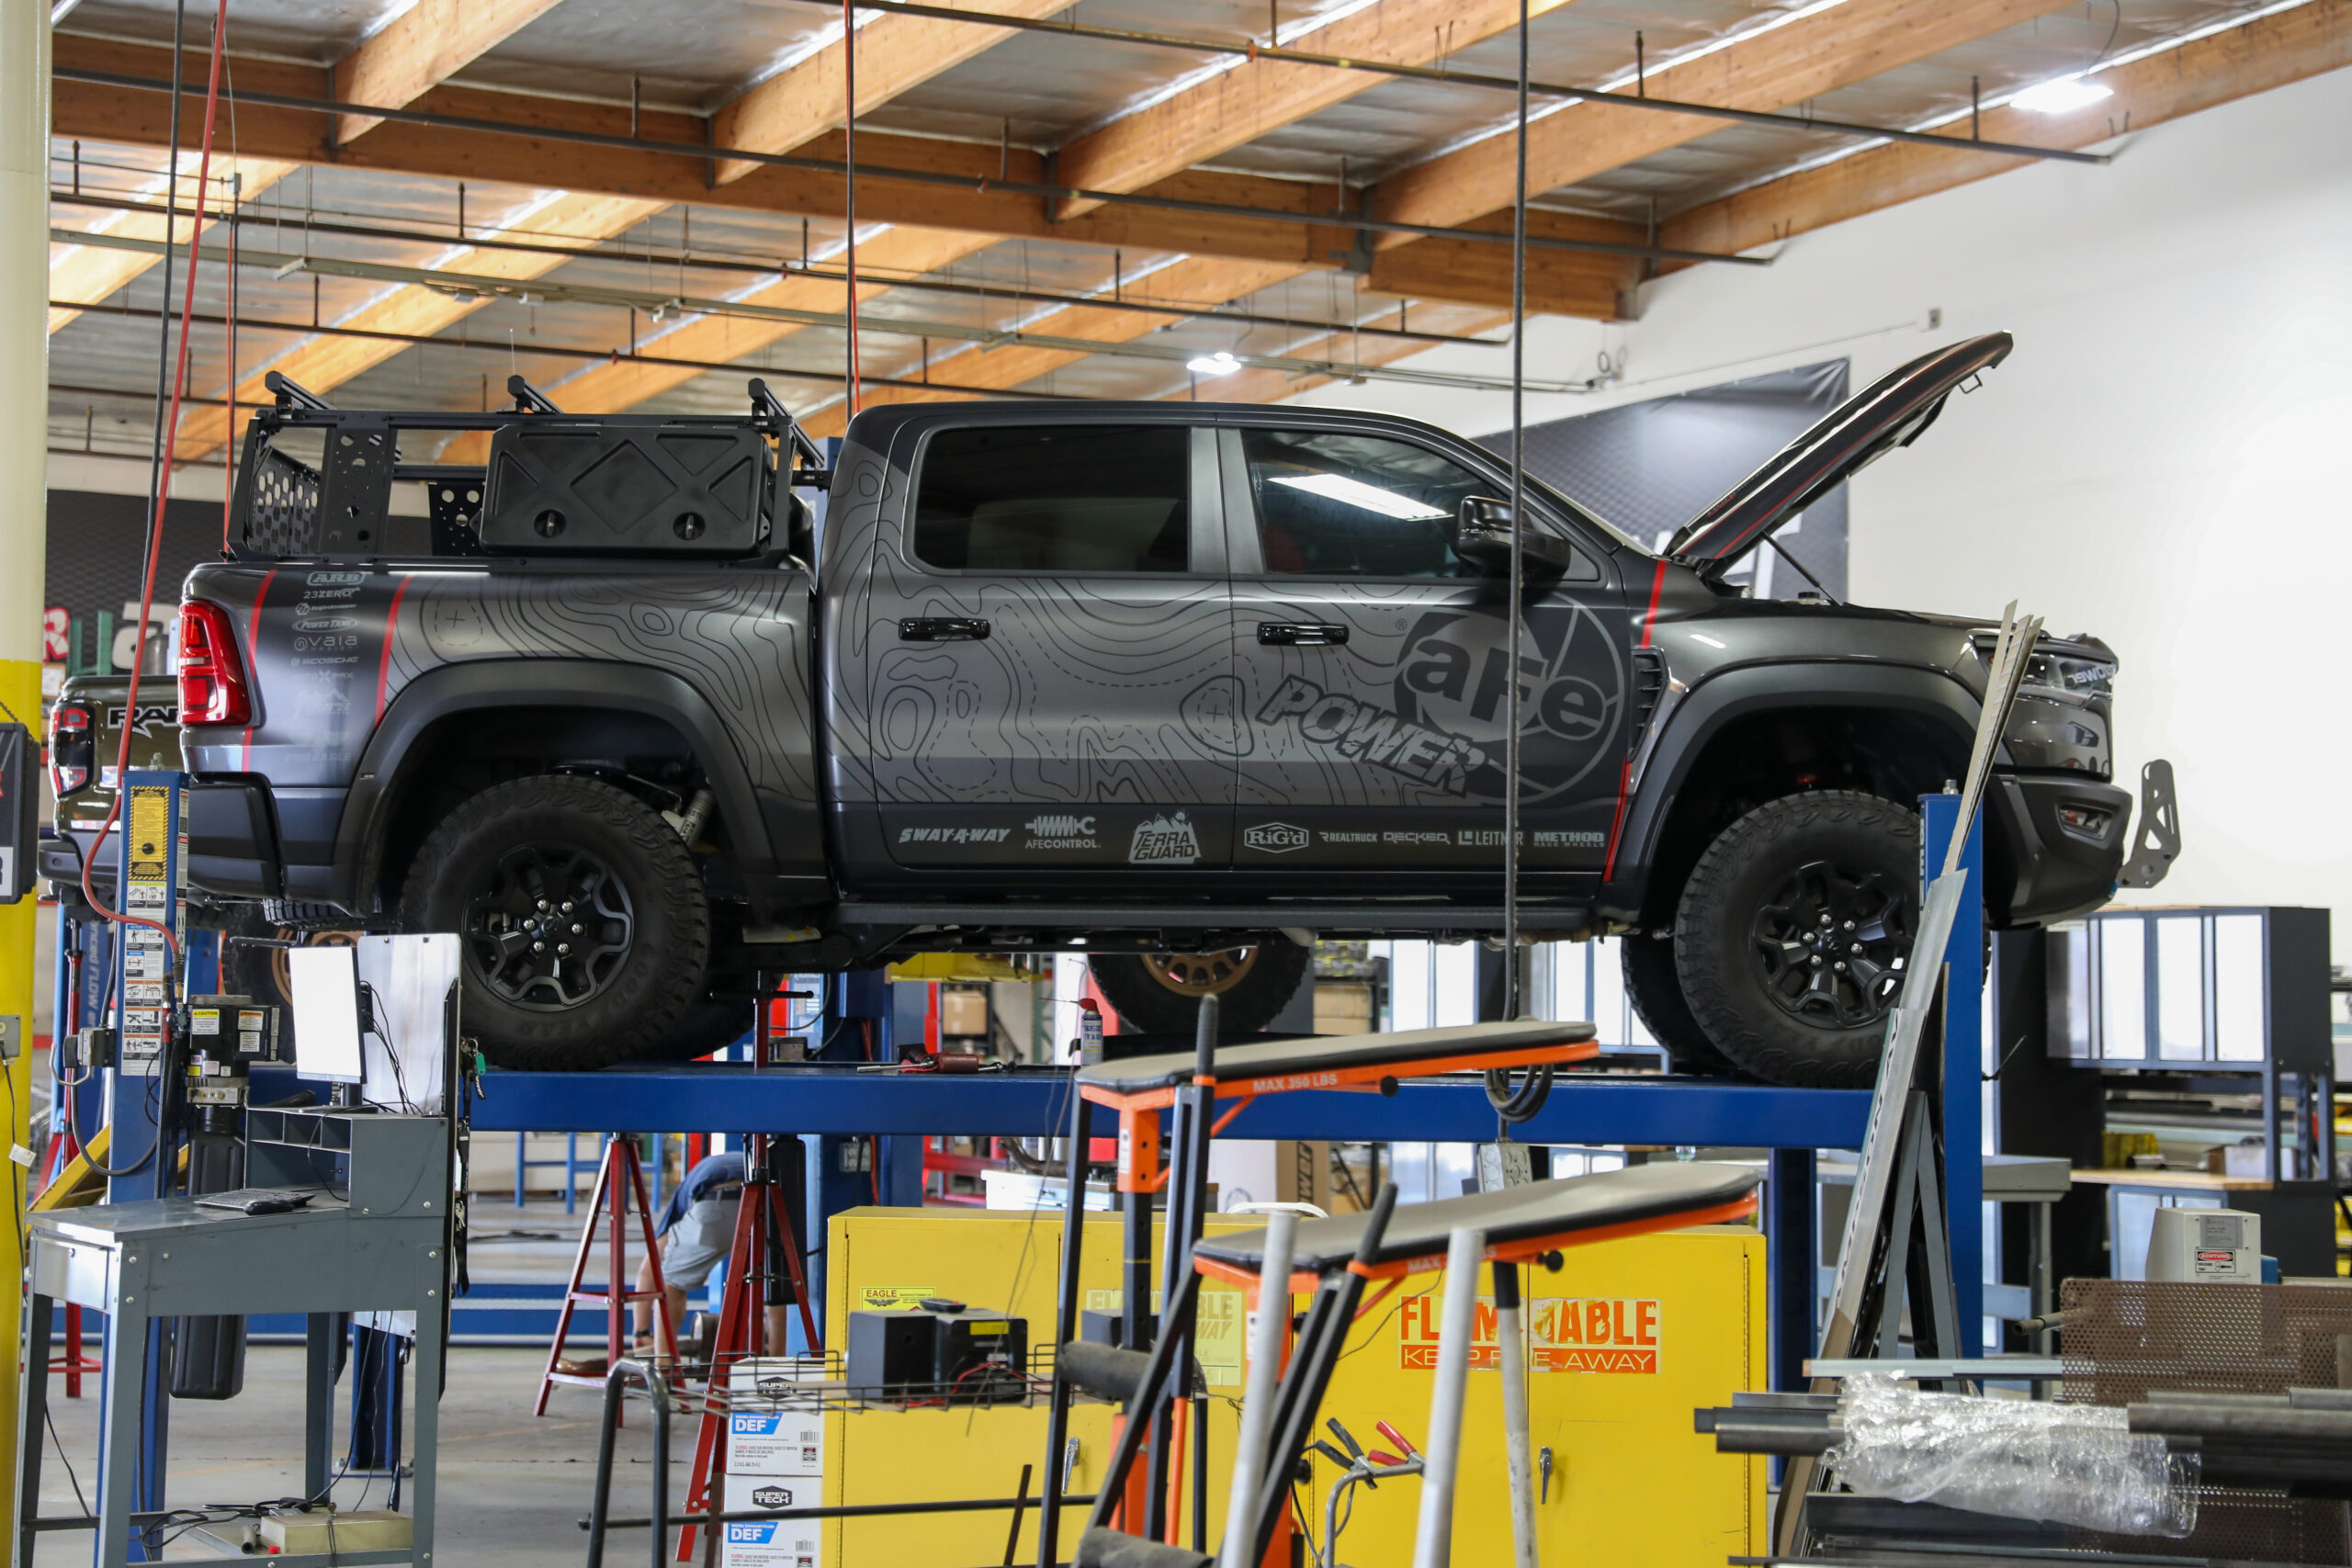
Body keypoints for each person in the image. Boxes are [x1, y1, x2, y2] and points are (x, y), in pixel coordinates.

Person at [633, 1150, 794, 1355]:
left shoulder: (680, 1201)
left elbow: (649, 1267)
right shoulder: (747, 1159)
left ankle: (664, 1362)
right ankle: (776, 1362)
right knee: (775, 1284)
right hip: (771, 1201)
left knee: (672, 1282)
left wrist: (640, 1331)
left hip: (717, 1201)